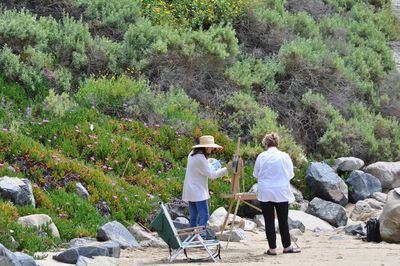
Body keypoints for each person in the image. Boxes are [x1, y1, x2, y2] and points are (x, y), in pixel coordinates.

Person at [253, 132, 301, 255]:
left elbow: (256, 175)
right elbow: (291, 175)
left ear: (266, 144)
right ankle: (287, 247)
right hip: (281, 191)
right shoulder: (284, 156)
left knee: (269, 221)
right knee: (283, 220)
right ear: (277, 142)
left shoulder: (261, 156)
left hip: (266, 191)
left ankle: (272, 249)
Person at [182, 135, 229, 230]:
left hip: (191, 190)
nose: (212, 149)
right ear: (206, 147)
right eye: (211, 147)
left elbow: (203, 168)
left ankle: (192, 237)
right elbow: (212, 175)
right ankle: (200, 236)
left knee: (193, 216)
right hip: (198, 191)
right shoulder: (200, 158)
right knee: (204, 215)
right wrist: (227, 169)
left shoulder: (192, 154)